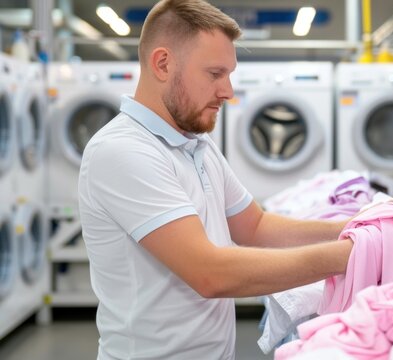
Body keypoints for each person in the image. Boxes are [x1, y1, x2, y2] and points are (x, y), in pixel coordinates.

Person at [78, 0, 353, 359]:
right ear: (163, 64)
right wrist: (353, 254)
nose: (228, 91)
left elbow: (254, 226)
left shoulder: (196, 143)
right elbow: (210, 273)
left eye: (230, 74)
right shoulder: (123, 151)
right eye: (214, 74)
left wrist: (363, 226)